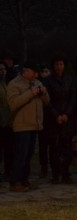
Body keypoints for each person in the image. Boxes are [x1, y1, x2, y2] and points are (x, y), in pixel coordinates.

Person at [6, 61, 50, 192]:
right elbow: (13, 103)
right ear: (26, 72)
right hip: (21, 125)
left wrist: (43, 93)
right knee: (21, 154)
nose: (37, 75)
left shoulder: (37, 82)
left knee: (29, 154)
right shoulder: (14, 84)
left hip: (34, 124)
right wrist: (30, 93)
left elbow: (47, 101)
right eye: (34, 72)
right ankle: (14, 181)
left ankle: (24, 180)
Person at [41, 54, 77, 184]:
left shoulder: (69, 79)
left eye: (61, 64)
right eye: (56, 64)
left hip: (67, 118)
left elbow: (73, 98)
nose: (59, 67)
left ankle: (66, 172)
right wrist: (56, 115)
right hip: (53, 118)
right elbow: (47, 101)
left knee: (66, 145)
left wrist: (67, 114)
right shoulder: (48, 81)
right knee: (54, 147)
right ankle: (56, 174)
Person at [0, 62, 13, 180]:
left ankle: (8, 171)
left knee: (8, 150)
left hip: (7, 123)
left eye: (4, 69)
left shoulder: (6, 84)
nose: (2, 72)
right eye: (0, 69)